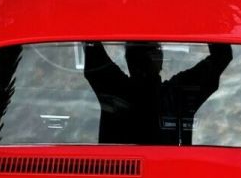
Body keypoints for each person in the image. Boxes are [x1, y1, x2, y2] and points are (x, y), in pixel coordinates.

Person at [83, 41, 233, 145]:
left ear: (128, 59)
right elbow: (222, 57)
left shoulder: (114, 88)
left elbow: (91, 45)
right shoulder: (179, 93)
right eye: (156, 50)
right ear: (160, 59)